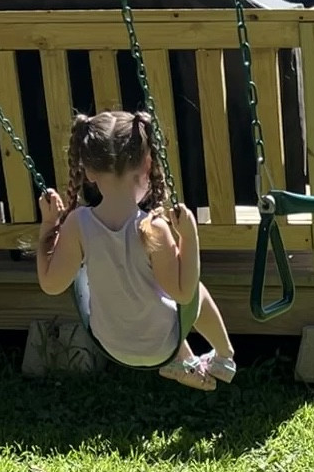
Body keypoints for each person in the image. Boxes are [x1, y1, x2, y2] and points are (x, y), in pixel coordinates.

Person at [35, 110, 236, 391]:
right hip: (160, 345)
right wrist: (189, 239)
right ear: (147, 164)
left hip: (109, 342)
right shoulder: (153, 227)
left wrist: (49, 224)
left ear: (89, 171)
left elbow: (51, 285)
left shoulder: (76, 224)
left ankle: (185, 363)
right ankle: (224, 357)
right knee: (193, 291)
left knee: (134, 290)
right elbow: (183, 292)